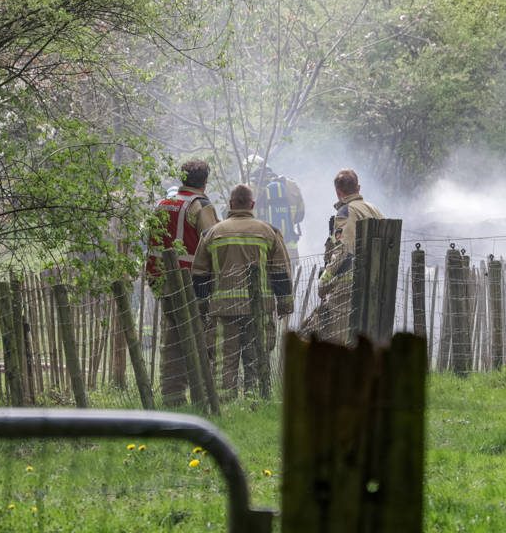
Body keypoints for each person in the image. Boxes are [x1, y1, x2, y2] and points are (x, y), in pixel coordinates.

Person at [192, 183, 294, 396]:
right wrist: (285, 303)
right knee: (256, 359)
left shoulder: (212, 233)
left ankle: (225, 405)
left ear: (230, 204)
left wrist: (202, 307)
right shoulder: (269, 232)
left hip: (223, 311)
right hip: (259, 310)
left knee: (223, 362)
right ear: (252, 204)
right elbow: (280, 272)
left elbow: (199, 274)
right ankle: (255, 400)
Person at [146, 159, 218, 405]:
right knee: (199, 339)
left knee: (173, 340)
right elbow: (213, 245)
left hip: (163, 283)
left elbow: (151, 243)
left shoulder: (162, 204)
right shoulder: (200, 206)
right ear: (205, 181)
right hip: (192, 286)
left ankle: (172, 396)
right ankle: (205, 395)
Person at [307, 169, 386, 341]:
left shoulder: (346, 212)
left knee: (338, 339)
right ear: (358, 187)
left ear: (338, 192)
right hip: (376, 283)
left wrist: (324, 281)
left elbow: (344, 250)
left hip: (349, 287)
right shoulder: (375, 210)